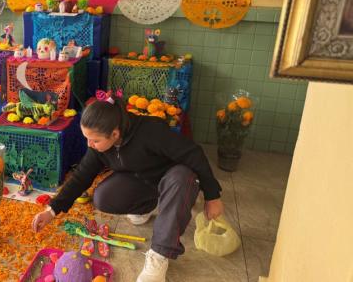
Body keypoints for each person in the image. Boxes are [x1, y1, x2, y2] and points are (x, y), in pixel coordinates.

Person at [32, 95, 224, 282]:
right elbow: (81, 175)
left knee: (181, 177)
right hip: (144, 179)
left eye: (95, 140)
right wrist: (52, 209)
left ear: (115, 134)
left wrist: (212, 195)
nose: (89, 145)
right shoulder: (100, 144)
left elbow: (194, 154)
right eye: (87, 138)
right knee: (103, 197)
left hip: (175, 179)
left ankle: (159, 255)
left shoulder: (151, 131)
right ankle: (144, 207)